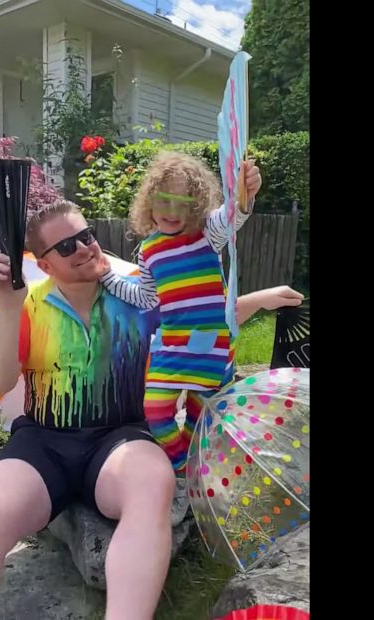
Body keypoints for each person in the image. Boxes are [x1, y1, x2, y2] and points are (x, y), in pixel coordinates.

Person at [0, 199, 303, 620]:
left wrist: (259, 300)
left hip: (121, 436)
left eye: (86, 236)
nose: (84, 247)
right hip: (44, 442)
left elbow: (200, 321)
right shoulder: (28, 306)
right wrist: (8, 310)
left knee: (151, 485)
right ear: (45, 265)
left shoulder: (136, 294)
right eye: (66, 246)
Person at [98, 151, 261, 475]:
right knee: (156, 411)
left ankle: (192, 473)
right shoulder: (149, 250)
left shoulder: (207, 234)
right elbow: (145, 297)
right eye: (164, 200)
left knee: (201, 421)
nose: (172, 211)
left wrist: (245, 195)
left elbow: (232, 215)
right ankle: (182, 465)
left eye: (183, 203)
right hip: (171, 347)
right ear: (149, 201)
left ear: (197, 207)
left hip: (211, 348)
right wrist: (107, 278)